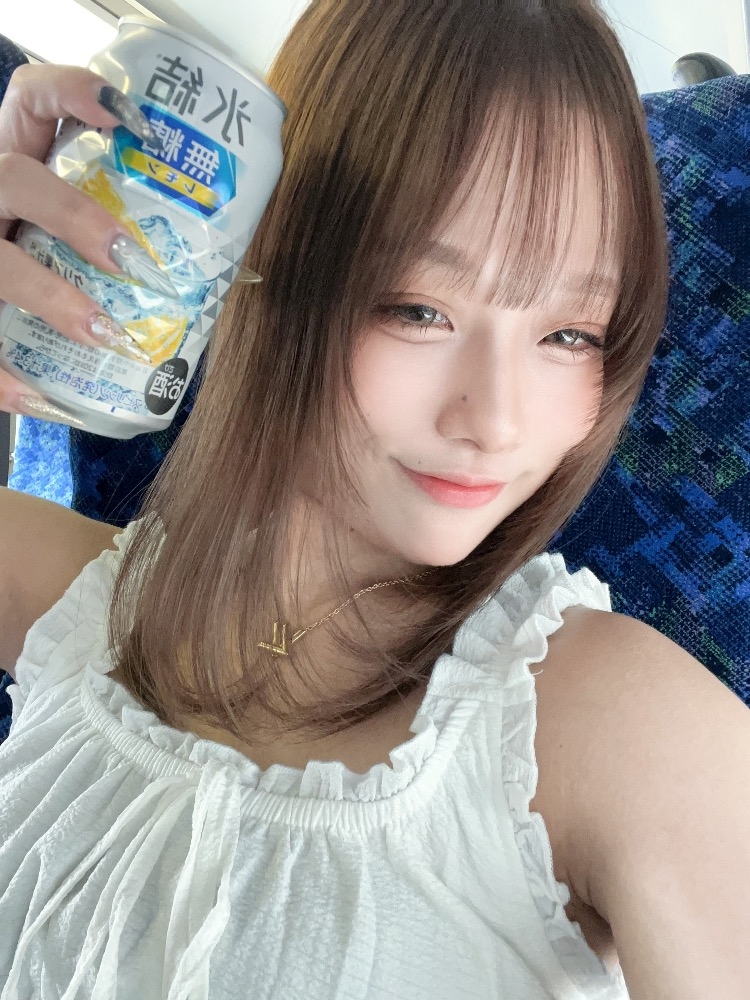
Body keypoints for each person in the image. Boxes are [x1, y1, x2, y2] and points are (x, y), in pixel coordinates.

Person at [0, 1, 747, 997]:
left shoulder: (626, 732)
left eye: (570, 334)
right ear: (263, 266)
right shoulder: (77, 605)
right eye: (419, 308)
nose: (495, 421)